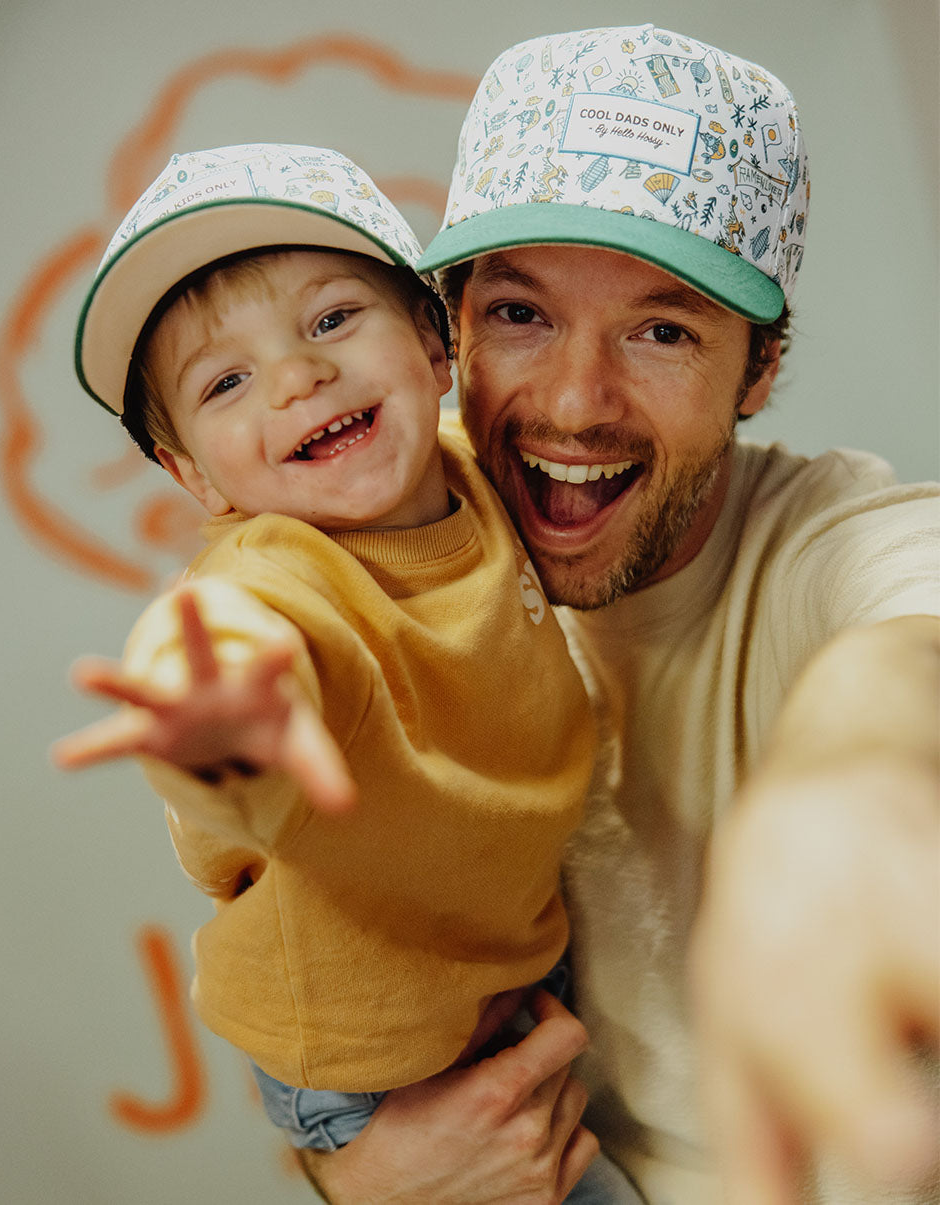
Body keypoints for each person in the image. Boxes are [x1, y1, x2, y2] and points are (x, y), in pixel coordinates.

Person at [297, 25, 940, 1205]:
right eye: (521, 315)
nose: (575, 404)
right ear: (447, 331)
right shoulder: (381, 566)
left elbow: (914, 625)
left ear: (758, 370)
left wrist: (854, 778)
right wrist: (356, 1169)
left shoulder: (822, 540)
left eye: (662, 331)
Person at [53, 141, 642, 1203]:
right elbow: (224, 634)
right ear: (192, 472)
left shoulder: (470, 468)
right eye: (225, 380)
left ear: (432, 339)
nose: (296, 375)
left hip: (500, 969)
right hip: (371, 1051)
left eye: (330, 319)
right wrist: (218, 724)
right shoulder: (279, 575)